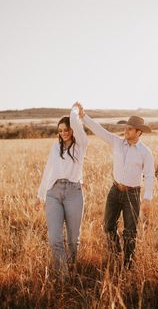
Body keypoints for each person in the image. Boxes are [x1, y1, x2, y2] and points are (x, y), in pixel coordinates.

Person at [78, 103, 155, 269]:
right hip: (115, 190)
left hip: (132, 194)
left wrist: (147, 198)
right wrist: (84, 116)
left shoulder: (145, 152)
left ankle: (128, 265)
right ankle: (115, 254)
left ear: (138, 132)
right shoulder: (117, 143)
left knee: (130, 232)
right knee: (108, 226)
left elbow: (149, 175)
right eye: (126, 128)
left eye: (129, 129)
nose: (125, 131)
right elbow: (99, 131)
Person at [34, 102, 88, 277]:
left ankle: (71, 270)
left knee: (73, 240)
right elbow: (48, 170)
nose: (63, 133)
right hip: (54, 194)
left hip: (74, 193)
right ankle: (64, 276)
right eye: (60, 131)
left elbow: (74, 119)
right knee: (55, 239)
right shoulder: (55, 147)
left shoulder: (81, 144)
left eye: (67, 129)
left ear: (73, 129)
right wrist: (40, 195)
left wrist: (75, 110)